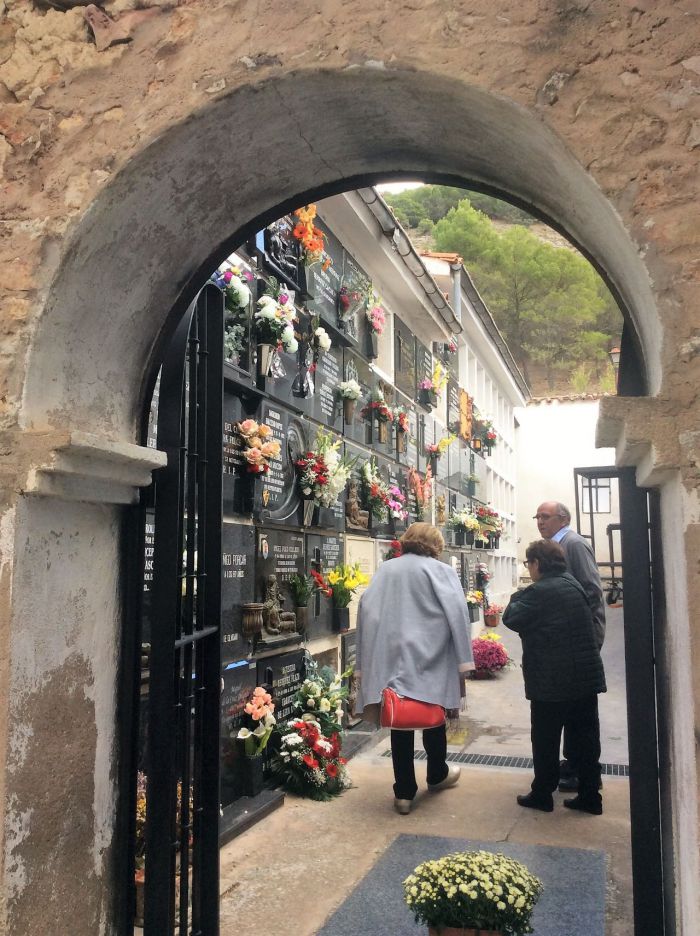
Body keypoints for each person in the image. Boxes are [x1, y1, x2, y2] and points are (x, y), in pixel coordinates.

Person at [354, 522, 474, 815]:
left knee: (400, 718)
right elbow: (458, 614)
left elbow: (367, 607)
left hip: (394, 653)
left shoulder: (387, 570)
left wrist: (369, 654)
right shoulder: (441, 571)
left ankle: (404, 792)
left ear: (406, 541)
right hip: (431, 653)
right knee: (433, 712)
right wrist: (463, 658)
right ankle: (437, 774)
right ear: (436, 544)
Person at [503, 539, 606, 814]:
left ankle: (542, 794)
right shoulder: (572, 583)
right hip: (585, 678)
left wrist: (517, 594)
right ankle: (590, 796)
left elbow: (511, 617)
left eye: (528, 563)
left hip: (552, 681)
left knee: (546, 740)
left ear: (537, 564)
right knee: (586, 740)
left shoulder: (541, 591)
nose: (529, 568)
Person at [534, 500, 606, 792]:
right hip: (570, 643)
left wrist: (589, 636)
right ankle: (575, 762)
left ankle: (584, 770)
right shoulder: (557, 544)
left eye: (546, 516)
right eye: (537, 516)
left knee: (580, 712)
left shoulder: (573, 544)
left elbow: (591, 589)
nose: (540, 521)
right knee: (573, 707)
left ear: (563, 519)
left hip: (580, 640)